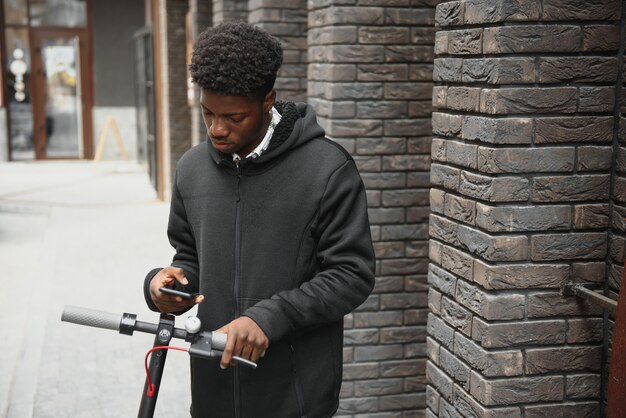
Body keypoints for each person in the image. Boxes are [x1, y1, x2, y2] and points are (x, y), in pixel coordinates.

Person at [143, 21, 375, 418]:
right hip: (213, 388)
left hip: (294, 396)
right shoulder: (192, 169)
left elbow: (352, 274)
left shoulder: (327, 170)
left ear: (267, 101)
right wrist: (164, 285)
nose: (217, 129)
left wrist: (270, 317)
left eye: (234, 117)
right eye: (208, 112)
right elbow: (190, 256)